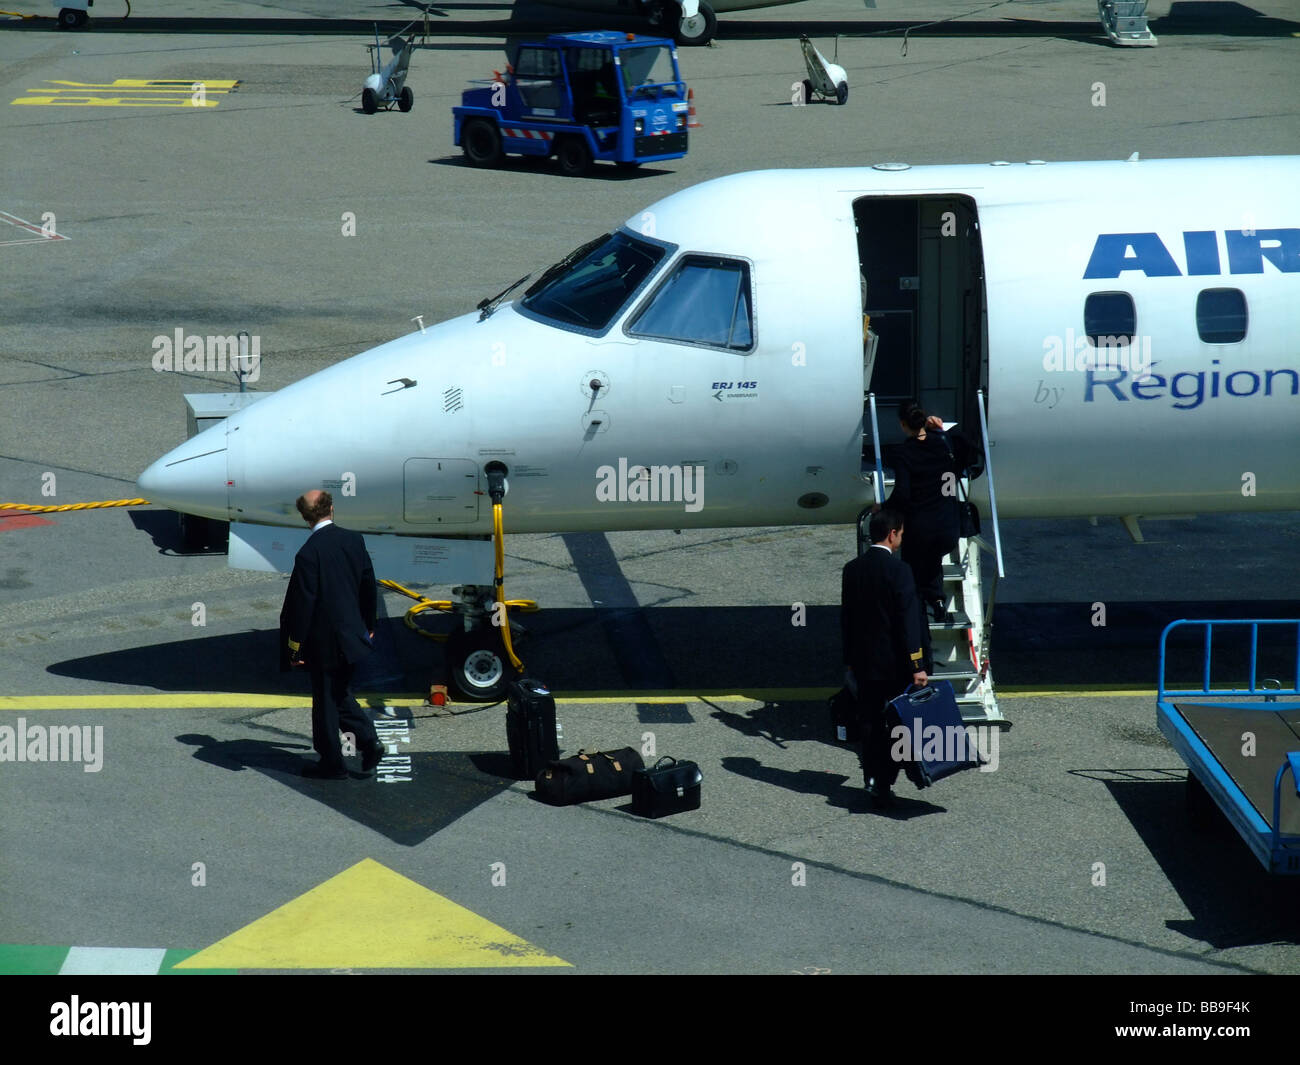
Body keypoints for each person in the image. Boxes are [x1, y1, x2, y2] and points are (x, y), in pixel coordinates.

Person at [279, 489, 384, 779]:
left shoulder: (308, 554)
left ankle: (332, 763)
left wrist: (294, 648)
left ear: (304, 517)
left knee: (325, 701)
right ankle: (368, 741)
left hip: (324, 642)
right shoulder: (353, 540)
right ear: (332, 509)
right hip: (351, 637)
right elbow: (368, 586)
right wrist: (369, 625)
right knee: (339, 694)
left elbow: (302, 607)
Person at [841, 508, 929, 808]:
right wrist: (917, 665)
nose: (901, 539)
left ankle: (872, 777)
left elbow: (847, 620)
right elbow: (908, 623)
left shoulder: (852, 569)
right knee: (898, 724)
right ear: (892, 534)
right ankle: (887, 779)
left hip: (865, 663)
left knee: (869, 722)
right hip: (895, 666)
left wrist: (849, 660)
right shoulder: (900, 571)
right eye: (901, 534)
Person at [883, 400, 980, 624]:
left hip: (920, 530)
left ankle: (917, 608)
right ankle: (937, 601)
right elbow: (969, 446)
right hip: (948, 528)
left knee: (914, 563)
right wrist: (945, 428)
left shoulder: (903, 453)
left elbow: (903, 494)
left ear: (903, 424)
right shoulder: (944, 443)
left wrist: (884, 508)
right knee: (933, 558)